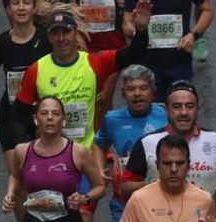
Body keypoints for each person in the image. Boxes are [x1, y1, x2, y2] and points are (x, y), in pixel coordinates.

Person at [13, 9, 150, 161]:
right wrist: (26, 149)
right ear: (49, 37)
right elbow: (19, 116)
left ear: (75, 32)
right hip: (50, 157)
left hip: (86, 157)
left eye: (66, 32)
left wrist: (142, 30)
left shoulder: (94, 63)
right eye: (55, 33)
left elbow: (133, 53)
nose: (61, 38)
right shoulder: (36, 70)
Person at [0, 0, 45, 222]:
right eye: (15, 3)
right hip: (11, 115)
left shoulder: (46, 38)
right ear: (8, 10)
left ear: (34, 8)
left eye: (26, 3)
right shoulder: (1, 42)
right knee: (18, 177)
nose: (21, 8)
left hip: (43, 117)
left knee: (42, 176)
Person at [118, 80, 216, 201]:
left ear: (198, 108)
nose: (183, 113)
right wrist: (156, 186)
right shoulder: (147, 143)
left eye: (189, 106)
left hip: (204, 220)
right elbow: (125, 187)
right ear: (166, 109)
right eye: (177, 106)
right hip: (158, 219)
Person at [94, 64, 166, 222]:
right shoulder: (112, 119)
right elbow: (99, 144)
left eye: (143, 88)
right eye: (131, 89)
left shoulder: (166, 115)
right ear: (123, 94)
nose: (137, 94)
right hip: (124, 200)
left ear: (153, 91)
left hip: (159, 197)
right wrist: (99, 168)